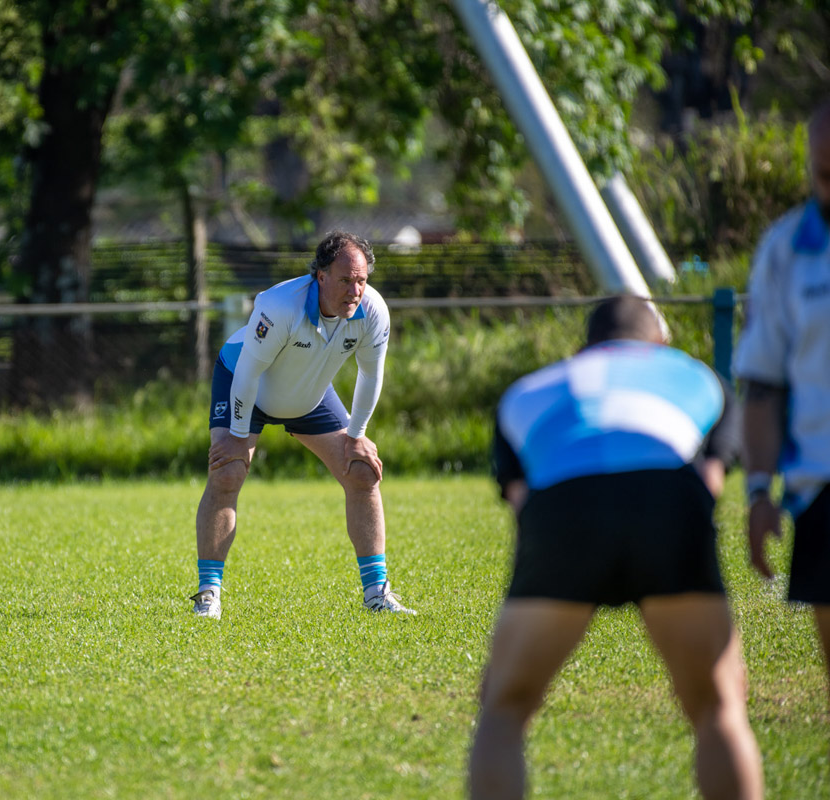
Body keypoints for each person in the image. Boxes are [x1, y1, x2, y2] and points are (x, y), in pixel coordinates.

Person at [470, 296, 762, 800]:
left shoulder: (529, 390)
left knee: (503, 706)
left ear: (585, 347)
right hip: (667, 501)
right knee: (719, 705)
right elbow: (708, 483)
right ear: (660, 344)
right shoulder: (696, 376)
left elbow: (523, 501)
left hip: (565, 510)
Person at [189, 230, 415, 619]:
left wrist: (357, 437)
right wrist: (239, 437)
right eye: (345, 280)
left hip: (309, 394)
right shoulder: (278, 305)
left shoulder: (373, 310)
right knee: (227, 473)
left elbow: (371, 376)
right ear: (321, 276)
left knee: (361, 471)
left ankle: (377, 593)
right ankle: (209, 595)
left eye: (361, 280)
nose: (354, 290)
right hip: (248, 385)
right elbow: (247, 371)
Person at [733, 97, 830, 712]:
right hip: (823, 487)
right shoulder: (788, 247)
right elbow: (762, 383)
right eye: (825, 174)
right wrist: (759, 492)